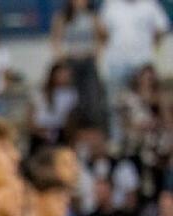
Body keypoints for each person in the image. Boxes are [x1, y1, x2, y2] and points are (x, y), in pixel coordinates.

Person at [50, 0, 107, 129]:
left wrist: (97, 53)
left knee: (91, 97)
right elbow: (55, 39)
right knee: (71, 98)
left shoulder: (93, 16)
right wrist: (62, 58)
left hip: (88, 61)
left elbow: (102, 36)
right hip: (71, 61)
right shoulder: (63, 17)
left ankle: (92, 127)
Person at [100, 0, 169, 100]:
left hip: (142, 64)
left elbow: (161, 28)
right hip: (116, 64)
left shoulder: (150, 4)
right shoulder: (111, 4)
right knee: (116, 104)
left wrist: (149, 48)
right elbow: (101, 30)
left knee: (144, 104)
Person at [29, 62, 79, 150]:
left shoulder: (71, 94)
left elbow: (70, 118)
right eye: (61, 74)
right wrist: (36, 130)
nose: (64, 77)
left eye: (66, 75)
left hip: (59, 131)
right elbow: (31, 113)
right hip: (40, 131)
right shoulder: (40, 92)